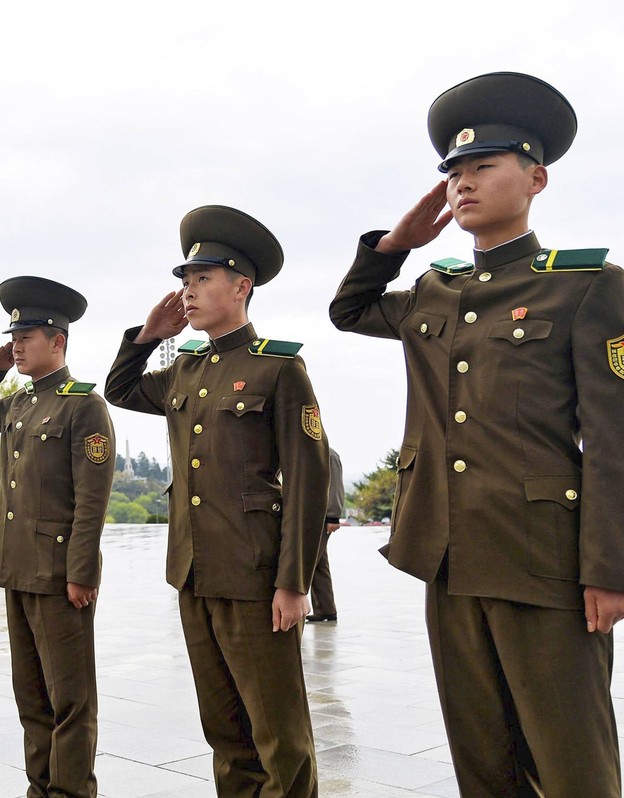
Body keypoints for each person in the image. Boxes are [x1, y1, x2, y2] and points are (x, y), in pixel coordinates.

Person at [329, 72, 624, 795]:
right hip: (449, 557)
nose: (463, 184)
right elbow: (349, 309)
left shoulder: (587, 287)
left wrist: (609, 568)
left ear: (535, 178)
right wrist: (396, 243)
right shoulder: (437, 291)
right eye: (453, 173)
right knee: (483, 763)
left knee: (572, 764)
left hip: (545, 563)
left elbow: (616, 441)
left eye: (482, 167)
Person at [105, 206, 329, 797]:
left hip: (256, 575)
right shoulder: (183, 369)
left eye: (202, 278)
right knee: (224, 730)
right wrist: (149, 335)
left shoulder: (278, 367)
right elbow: (120, 389)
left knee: (279, 732)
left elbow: (307, 482)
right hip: (195, 571)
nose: (189, 290)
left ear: (240, 286)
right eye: (185, 280)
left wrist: (293, 582)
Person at [0, 277, 115, 798]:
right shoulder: (19, 404)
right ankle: (40, 787)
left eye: (28, 336)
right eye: (14, 335)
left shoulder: (83, 405)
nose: (18, 344)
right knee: (30, 694)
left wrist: (81, 573)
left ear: (59, 341)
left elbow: (91, 500)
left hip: (57, 575)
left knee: (70, 698)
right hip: (15, 567)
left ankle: (72, 791)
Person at [306, 447, 344, 623]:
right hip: (308, 516)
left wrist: (333, 516)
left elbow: (335, 486)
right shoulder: (308, 451)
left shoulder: (328, 454)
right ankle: (325, 608)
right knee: (318, 564)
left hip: (320, 517)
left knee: (307, 562)